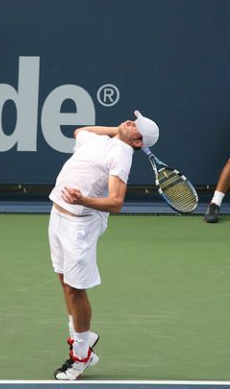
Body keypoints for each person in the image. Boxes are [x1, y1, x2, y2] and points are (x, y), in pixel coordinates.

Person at [48, 110, 159, 380]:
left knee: (75, 291)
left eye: (137, 127)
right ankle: (82, 336)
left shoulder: (121, 155)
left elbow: (116, 202)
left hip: (80, 225)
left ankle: (82, 355)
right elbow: (80, 131)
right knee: (64, 282)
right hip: (58, 215)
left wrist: (83, 200)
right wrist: (118, 130)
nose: (131, 123)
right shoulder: (102, 140)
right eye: (134, 120)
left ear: (138, 143)